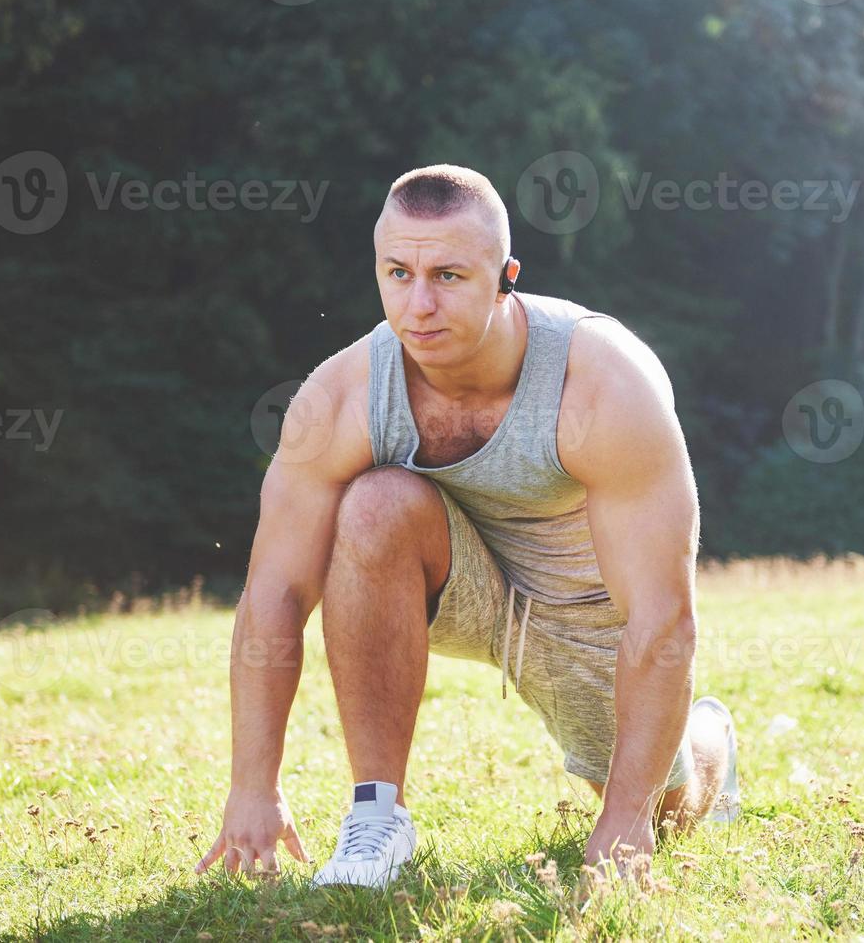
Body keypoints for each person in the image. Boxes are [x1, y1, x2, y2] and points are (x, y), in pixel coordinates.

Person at [195, 164, 739, 889]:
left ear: (505, 275)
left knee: (668, 816)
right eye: (398, 273)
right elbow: (275, 593)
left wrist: (625, 816)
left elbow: (663, 616)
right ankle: (377, 818)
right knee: (375, 502)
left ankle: (711, 743)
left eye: (449, 275)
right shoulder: (342, 397)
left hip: (583, 610)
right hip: (450, 578)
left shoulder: (603, 386)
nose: (418, 305)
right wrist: (252, 786)